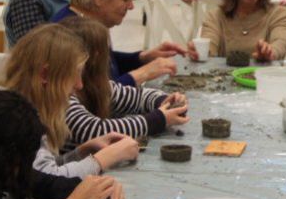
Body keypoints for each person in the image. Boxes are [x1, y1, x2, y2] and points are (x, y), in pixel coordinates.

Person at [0, 24, 140, 176]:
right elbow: (48, 182)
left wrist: (81, 153)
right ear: (45, 74)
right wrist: (107, 157)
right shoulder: (13, 119)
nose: (79, 85)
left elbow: (41, 169)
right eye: (75, 73)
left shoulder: (28, 105)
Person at [51, 0, 185, 86]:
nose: (132, 6)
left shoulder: (88, 21)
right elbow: (98, 97)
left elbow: (108, 65)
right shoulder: (70, 35)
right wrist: (143, 73)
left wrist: (143, 58)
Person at [59, 16, 190, 151]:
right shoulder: (64, 96)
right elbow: (96, 130)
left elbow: (136, 97)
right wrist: (158, 119)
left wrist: (164, 101)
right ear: (97, 57)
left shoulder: (95, 84)